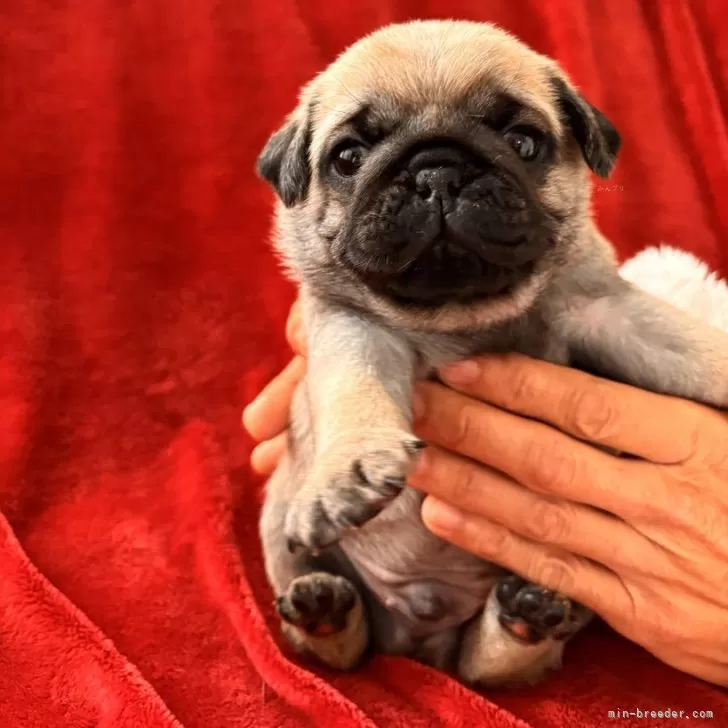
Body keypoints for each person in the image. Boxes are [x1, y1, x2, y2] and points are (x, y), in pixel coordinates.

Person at [243, 301, 728, 688]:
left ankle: (506, 640)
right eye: (348, 168)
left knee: (558, 570)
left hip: (527, 564)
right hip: (355, 558)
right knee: (289, 515)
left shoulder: (586, 292)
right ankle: (335, 630)